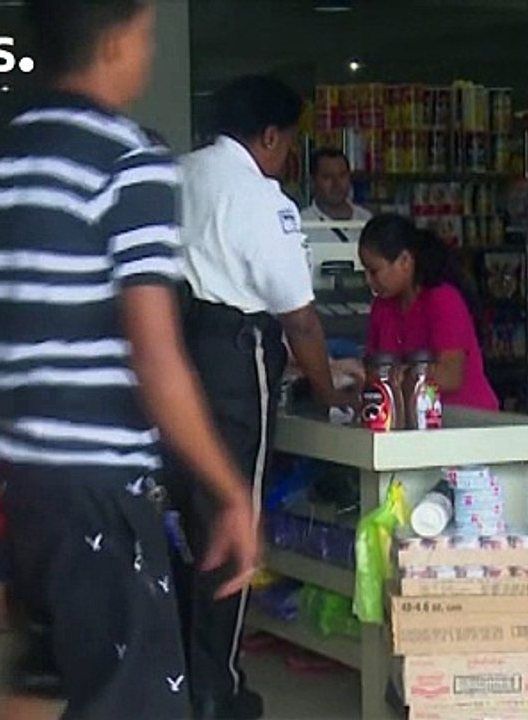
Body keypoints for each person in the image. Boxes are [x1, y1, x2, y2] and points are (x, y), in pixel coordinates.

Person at [0, 2, 260, 719]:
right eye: (148, 38)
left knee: (51, 670)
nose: (149, 55)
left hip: (16, 477)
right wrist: (228, 489)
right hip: (96, 483)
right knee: (138, 697)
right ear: (118, 42)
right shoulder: (128, 160)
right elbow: (156, 359)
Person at [172, 74, 353, 720]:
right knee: (230, 516)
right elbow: (297, 317)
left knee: (185, 520)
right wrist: (329, 387)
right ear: (270, 136)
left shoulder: (179, 175)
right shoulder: (258, 195)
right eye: (288, 144)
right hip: (232, 354)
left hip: (172, 352)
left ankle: (179, 676)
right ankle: (214, 688)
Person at [360, 213, 499, 411]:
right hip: (413, 419)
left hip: (467, 419)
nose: (368, 280)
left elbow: (451, 377)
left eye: (374, 271)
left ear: (405, 261)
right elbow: (373, 366)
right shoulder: (382, 306)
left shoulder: (443, 300)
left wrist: (394, 375)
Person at [300, 147, 372, 244]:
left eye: (342, 175)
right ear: (312, 181)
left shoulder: (366, 219)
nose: (337, 184)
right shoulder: (302, 225)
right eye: (327, 177)